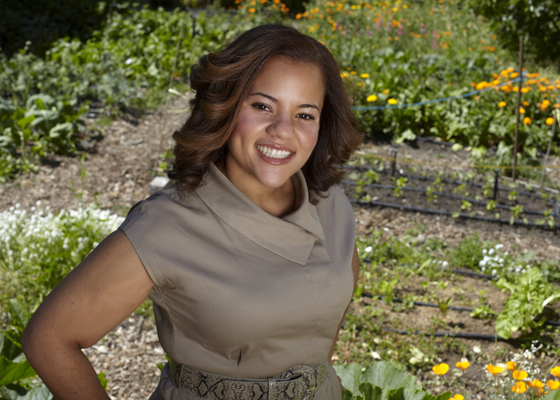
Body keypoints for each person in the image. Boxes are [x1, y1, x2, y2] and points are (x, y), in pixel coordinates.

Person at [22, 23, 363, 400]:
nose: (283, 130)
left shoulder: (332, 205)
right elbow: (49, 339)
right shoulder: (167, 225)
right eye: (263, 106)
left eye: (305, 114)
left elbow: (330, 308)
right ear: (226, 106)